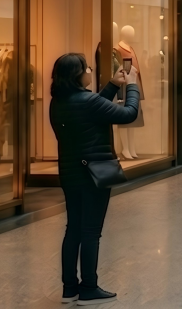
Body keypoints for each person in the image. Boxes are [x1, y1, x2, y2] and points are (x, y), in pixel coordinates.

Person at [49, 52, 139, 305]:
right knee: (91, 232)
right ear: (78, 74)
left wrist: (111, 85)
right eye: (87, 68)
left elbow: (92, 109)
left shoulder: (59, 101)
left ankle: (70, 289)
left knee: (74, 230)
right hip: (94, 175)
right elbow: (128, 114)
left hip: (70, 174)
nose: (90, 71)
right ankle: (89, 287)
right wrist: (132, 86)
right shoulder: (86, 101)